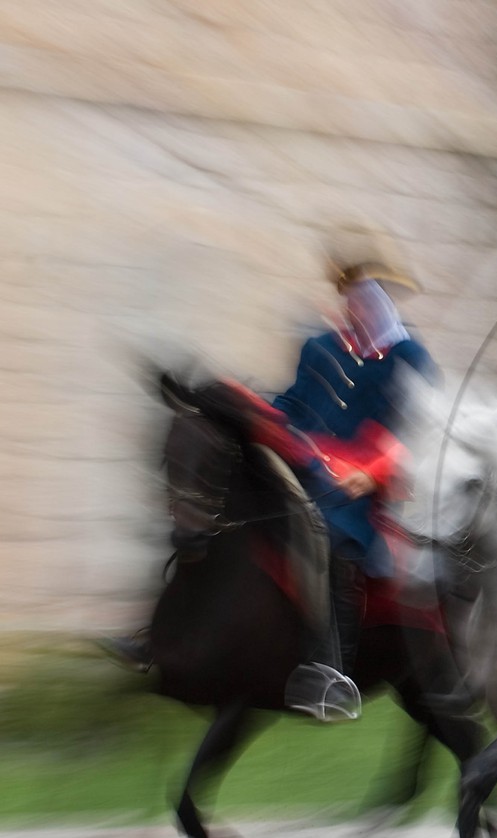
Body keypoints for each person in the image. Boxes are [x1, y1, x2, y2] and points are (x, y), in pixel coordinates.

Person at [105, 237, 437, 721]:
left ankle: (330, 669)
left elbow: (415, 429)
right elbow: (295, 405)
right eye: (353, 294)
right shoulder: (320, 345)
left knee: (334, 543)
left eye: (370, 294)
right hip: (305, 463)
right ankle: (158, 636)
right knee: (216, 518)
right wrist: (256, 412)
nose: (359, 304)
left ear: (387, 298)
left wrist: (372, 472)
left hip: (360, 488)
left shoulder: (410, 357)